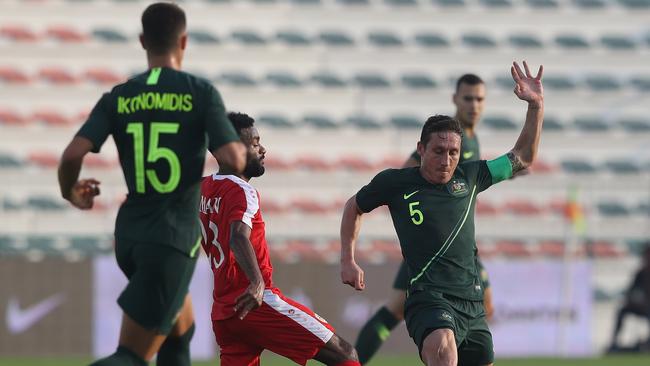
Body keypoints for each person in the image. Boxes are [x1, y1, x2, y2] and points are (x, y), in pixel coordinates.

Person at [57, 3, 246, 365]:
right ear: (184, 41)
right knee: (132, 355)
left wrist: (72, 192)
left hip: (129, 238)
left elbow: (70, 157)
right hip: (171, 240)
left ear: (143, 41)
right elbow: (234, 160)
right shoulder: (200, 93)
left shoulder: (119, 96)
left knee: (181, 329)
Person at [340, 61, 544, 366]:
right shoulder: (396, 182)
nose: (447, 160)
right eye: (438, 151)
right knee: (443, 351)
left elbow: (523, 157)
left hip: (471, 302)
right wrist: (348, 259)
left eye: (453, 153)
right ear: (421, 149)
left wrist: (536, 107)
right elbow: (354, 206)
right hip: (428, 296)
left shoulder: (473, 175)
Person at [200, 112, 360, 366]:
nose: (262, 149)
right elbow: (238, 236)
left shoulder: (202, 189)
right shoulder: (242, 190)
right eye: (253, 143)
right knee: (345, 355)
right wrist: (257, 283)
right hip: (256, 303)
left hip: (225, 313)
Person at [355, 74, 494, 364]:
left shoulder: (470, 139)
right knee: (396, 310)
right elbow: (409, 174)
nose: (473, 105)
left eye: (479, 99)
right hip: (432, 251)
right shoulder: (452, 138)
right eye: (467, 98)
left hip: (452, 245)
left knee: (393, 310)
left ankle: (353, 361)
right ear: (455, 99)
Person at [608, 244, 650, 352]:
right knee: (622, 311)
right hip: (641, 306)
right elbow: (631, 290)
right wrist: (632, 300)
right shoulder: (640, 273)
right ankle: (614, 342)